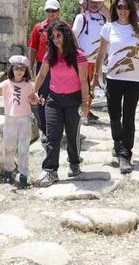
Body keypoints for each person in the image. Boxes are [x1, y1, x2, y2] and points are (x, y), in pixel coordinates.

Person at [92, 0, 139, 174]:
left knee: (128, 118)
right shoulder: (108, 28)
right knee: (114, 116)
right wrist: (95, 77)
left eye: (126, 7)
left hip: (133, 80)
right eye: (120, 6)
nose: (123, 10)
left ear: (132, 10)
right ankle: (117, 143)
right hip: (113, 78)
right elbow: (100, 54)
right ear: (115, 9)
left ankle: (125, 154)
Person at [30, 22, 91, 187]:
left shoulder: (78, 55)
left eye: (58, 36)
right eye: (53, 36)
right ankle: (51, 171)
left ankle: (74, 162)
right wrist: (34, 91)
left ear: (66, 35)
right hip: (53, 100)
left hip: (73, 100)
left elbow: (83, 81)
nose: (55, 40)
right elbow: (42, 74)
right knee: (52, 136)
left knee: (72, 135)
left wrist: (85, 102)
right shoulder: (50, 55)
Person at [0, 55, 37, 188]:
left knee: (23, 148)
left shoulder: (29, 85)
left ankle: (23, 174)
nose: (19, 71)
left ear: (26, 71)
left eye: (22, 69)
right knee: (9, 147)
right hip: (10, 118)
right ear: (11, 69)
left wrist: (36, 97)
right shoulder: (6, 84)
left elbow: (33, 100)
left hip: (25, 119)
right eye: (16, 68)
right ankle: (9, 171)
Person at [28, 0, 60, 145]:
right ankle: (45, 131)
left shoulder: (64, 28)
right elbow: (33, 48)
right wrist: (29, 67)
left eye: (54, 11)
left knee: (59, 97)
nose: (51, 14)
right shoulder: (38, 28)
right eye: (48, 11)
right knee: (42, 98)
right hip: (42, 67)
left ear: (58, 12)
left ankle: (57, 129)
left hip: (59, 67)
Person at [71, 0, 106, 124]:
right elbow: (73, 35)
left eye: (96, 2)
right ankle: (80, 112)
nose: (94, 4)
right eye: (91, 2)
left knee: (92, 86)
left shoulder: (103, 18)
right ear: (87, 3)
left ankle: (87, 110)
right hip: (82, 60)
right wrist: (78, 51)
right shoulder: (81, 18)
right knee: (81, 86)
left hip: (96, 59)